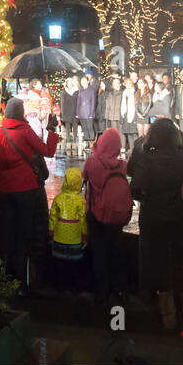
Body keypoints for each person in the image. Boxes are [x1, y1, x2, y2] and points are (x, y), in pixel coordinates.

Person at [0, 97, 59, 292]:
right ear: (20, 112)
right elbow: (47, 151)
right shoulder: (24, 131)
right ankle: (21, 284)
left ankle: (3, 280)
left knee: (6, 236)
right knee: (23, 236)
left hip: (4, 191)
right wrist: (51, 135)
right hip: (24, 191)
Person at [129, 119, 183, 329]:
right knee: (178, 257)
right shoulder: (182, 155)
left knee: (150, 257)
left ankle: (158, 306)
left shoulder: (147, 156)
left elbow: (134, 186)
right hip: (178, 215)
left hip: (153, 214)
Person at [82, 127, 132, 308]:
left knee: (100, 253)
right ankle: (120, 291)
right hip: (116, 216)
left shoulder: (92, 162)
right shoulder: (122, 165)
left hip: (96, 214)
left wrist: (95, 151)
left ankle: (101, 294)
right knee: (116, 252)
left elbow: (85, 177)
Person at [48, 167, 87, 291]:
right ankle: (74, 288)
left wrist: (51, 231)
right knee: (74, 266)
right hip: (75, 239)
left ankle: (60, 287)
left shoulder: (59, 198)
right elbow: (83, 220)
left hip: (59, 238)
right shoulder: (81, 201)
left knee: (60, 264)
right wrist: (85, 235)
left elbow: (52, 217)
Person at [75, 73, 97, 146]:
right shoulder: (80, 90)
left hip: (89, 111)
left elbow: (93, 102)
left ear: (88, 81)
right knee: (84, 128)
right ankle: (87, 143)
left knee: (90, 127)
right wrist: (77, 113)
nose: (83, 82)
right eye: (82, 81)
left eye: (84, 81)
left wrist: (91, 113)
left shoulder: (92, 90)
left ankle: (92, 144)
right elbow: (78, 102)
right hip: (81, 112)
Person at [118, 77, 138, 156]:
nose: (128, 85)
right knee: (129, 133)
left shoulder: (135, 92)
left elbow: (136, 104)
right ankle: (131, 148)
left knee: (134, 133)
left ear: (132, 84)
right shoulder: (124, 93)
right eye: (127, 83)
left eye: (130, 83)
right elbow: (122, 105)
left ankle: (136, 149)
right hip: (126, 114)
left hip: (133, 114)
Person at [100, 74, 122, 140]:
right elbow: (108, 105)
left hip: (119, 115)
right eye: (114, 83)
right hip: (112, 116)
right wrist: (107, 116)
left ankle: (122, 146)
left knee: (121, 132)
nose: (115, 84)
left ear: (119, 84)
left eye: (116, 83)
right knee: (114, 132)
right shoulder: (110, 94)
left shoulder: (122, 93)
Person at [60, 75, 79, 142]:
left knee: (75, 129)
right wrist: (62, 114)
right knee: (67, 129)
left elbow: (78, 103)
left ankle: (75, 142)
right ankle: (68, 142)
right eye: (68, 83)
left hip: (75, 113)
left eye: (70, 83)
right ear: (66, 84)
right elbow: (62, 104)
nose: (69, 84)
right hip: (67, 113)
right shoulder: (63, 92)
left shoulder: (76, 92)